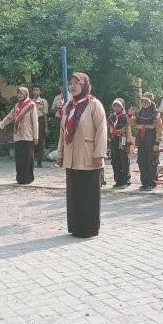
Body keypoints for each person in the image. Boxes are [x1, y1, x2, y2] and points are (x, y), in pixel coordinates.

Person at [56, 72, 106, 238]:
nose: (72, 86)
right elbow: (63, 132)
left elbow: (101, 130)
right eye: (70, 83)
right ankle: (76, 227)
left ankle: (89, 228)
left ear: (84, 85)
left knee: (88, 193)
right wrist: (60, 153)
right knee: (74, 194)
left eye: (77, 83)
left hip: (88, 156)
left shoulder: (94, 104)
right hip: (71, 157)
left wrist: (99, 154)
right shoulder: (68, 106)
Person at [0, 87, 39, 184]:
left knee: (27, 157)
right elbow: (9, 117)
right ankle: (20, 179)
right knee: (19, 158)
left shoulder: (31, 105)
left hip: (28, 135)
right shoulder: (17, 106)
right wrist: (0, 125)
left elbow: (35, 122)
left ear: (26, 94)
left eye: (22, 93)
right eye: (18, 93)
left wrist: (35, 137)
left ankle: (28, 178)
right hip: (18, 135)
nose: (19, 95)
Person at [127, 92, 163, 191]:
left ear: (151, 101)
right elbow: (132, 123)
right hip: (141, 138)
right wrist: (130, 115)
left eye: (146, 101)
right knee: (142, 161)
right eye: (142, 101)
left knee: (152, 161)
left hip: (151, 137)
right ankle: (144, 182)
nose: (144, 103)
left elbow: (160, 129)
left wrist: (157, 143)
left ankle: (152, 183)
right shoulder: (139, 113)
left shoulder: (156, 113)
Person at [107, 98, 132, 189]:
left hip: (123, 139)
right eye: (115, 106)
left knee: (124, 160)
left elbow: (128, 131)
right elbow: (107, 129)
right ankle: (118, 180)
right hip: (114, 139)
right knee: (115, 160)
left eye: (118, 106)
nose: (116, 108)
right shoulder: (111, 118)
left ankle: (125, 180)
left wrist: (129, 144)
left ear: (122, 107)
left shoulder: (126, 117)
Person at [32, 85, 49, 168]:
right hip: (31, 122)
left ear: (40, 92)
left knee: (40, 141)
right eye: (34, 90)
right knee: (31, 140)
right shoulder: (30, 101)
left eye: (37, 90)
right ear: (32, 91)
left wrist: (46, 127)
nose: (36, 91)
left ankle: (39, 161)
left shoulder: (43, 101)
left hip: (40, 121)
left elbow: (45, 114)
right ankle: (30, 160)